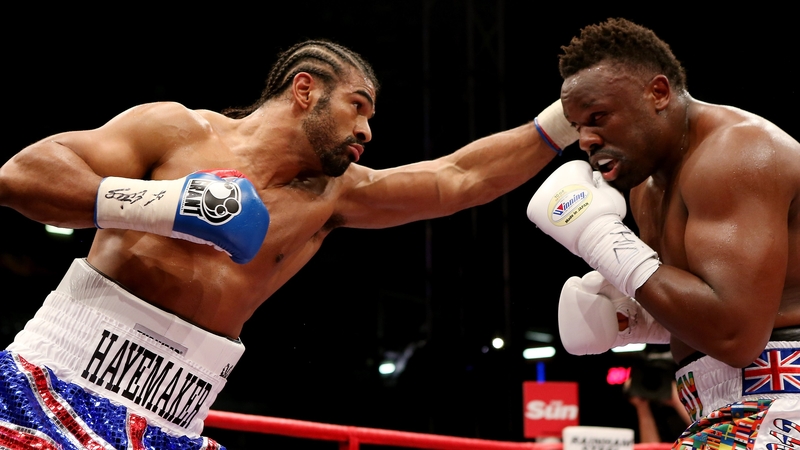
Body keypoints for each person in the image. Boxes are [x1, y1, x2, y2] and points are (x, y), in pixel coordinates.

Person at [0, 39, 576, 449]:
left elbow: (459, 178)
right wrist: (164, 206)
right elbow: (22, 175)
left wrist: (567, 118)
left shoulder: (336, 196)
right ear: (306, 90)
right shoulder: (176, 131)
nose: (368, 131)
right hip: (57, 376)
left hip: (174, 420)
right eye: (358, 106)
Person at [527, 18, 800, 448]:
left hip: (782, 402)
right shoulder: (645, 188)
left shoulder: (737, 153)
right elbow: (715, 308)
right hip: (716, 407)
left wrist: (598, 236)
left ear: (658, 93)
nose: (585, 140)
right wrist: (636, 320)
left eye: (598, 117)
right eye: (578, 126)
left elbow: (734, 335)